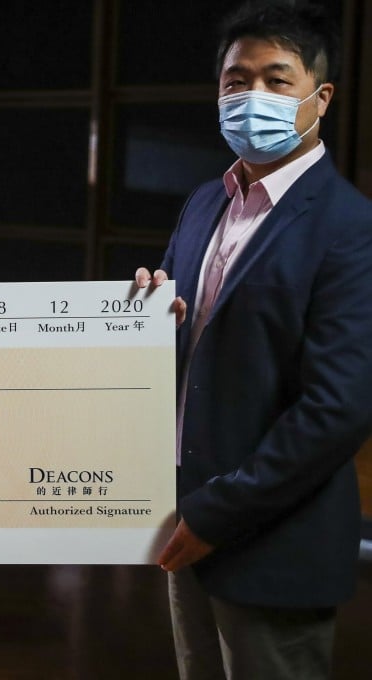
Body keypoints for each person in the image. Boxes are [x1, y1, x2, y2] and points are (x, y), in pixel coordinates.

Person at [135, 2, 372, 677]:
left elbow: (337, 411)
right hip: (185, 522)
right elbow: (198, 352)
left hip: (271, 541)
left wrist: (216, 514)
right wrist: (150, 317)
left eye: (277, 79)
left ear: (320, 99)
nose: (252, 97)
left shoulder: (351, 227)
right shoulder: (205, 203)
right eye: (237, 81)